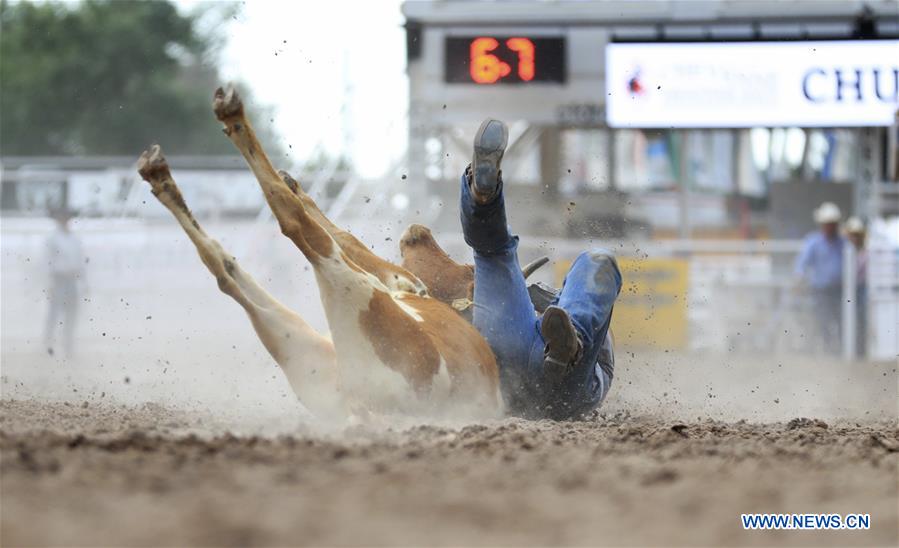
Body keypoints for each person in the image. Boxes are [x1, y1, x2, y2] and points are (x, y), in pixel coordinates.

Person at [459, 119, 621, 420]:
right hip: (565, 385)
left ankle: (483, 198)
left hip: (509, 366)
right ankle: (572, 348)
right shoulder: (598, 353)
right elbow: (603, 351)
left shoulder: (540, 311)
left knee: (493, 253)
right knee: (599, 260)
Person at [794, 202, 846, 354]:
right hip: (820, 290)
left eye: (833, 223)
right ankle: (828, 350)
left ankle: (840, 351)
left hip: (840, 290)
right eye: (828, 223)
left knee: (841, 322)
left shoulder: (843, 243)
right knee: (823, 321)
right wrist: (799, 278)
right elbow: (802, 263)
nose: (830, 226)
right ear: (822, 224)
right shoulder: (814, 242)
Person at [44, 207, 86, 358]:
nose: (65, 221)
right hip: (59, 279)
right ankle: (48, 343)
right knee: (54, 314)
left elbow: (80, 261)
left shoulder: (73, 239)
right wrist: (49, 282)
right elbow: (47, 261)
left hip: (71, 280)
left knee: (71, 314)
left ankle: (68, 344)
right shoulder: (53, 239)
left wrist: (83, 281)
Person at [845, 217, 867, 357]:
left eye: (857, 234)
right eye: (852, 234)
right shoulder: (845, 251)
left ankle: (859, 352)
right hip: (845, 291)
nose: (854, 237)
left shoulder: (865, 252)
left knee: (860, 322)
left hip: (860, 290)